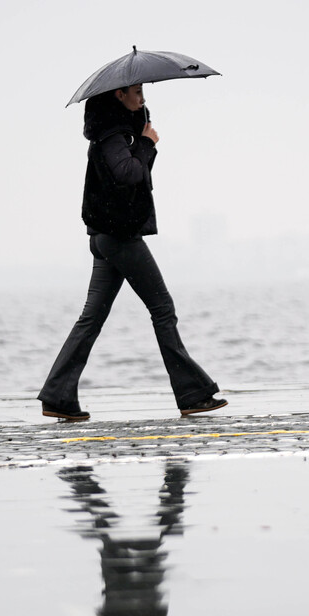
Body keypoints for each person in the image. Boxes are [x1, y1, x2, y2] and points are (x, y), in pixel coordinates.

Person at [38, 84, 226, 421]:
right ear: (118, 94)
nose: (142, 97)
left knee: (92, 318)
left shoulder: (117, 132)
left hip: (106, 236)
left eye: (142, 91)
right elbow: (128, 174)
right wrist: (147, 144)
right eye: (136, 91)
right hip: (120, 237)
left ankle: (58, 395)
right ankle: (192, 394)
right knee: (163, 309)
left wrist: (140, 140)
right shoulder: (114, 134)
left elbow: (129, 174)